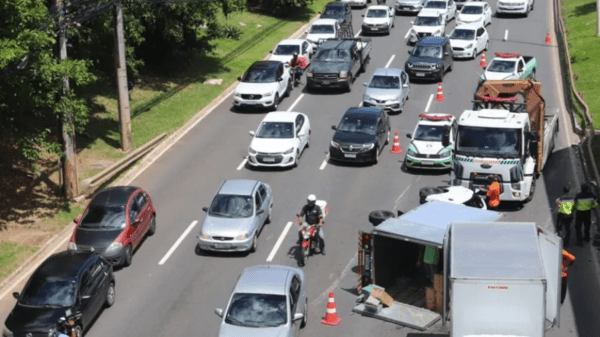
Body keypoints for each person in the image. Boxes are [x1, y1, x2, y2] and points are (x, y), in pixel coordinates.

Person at [574, 181, 598, 246]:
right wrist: (592, 207)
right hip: (587, 213)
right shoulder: (591, 195)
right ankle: (587, 238)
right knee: (587, 226)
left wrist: (576, 208)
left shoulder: (578, 196)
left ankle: (580, 242)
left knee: (578, 227)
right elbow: (595, 203)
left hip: (579, 213)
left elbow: (574, 204)